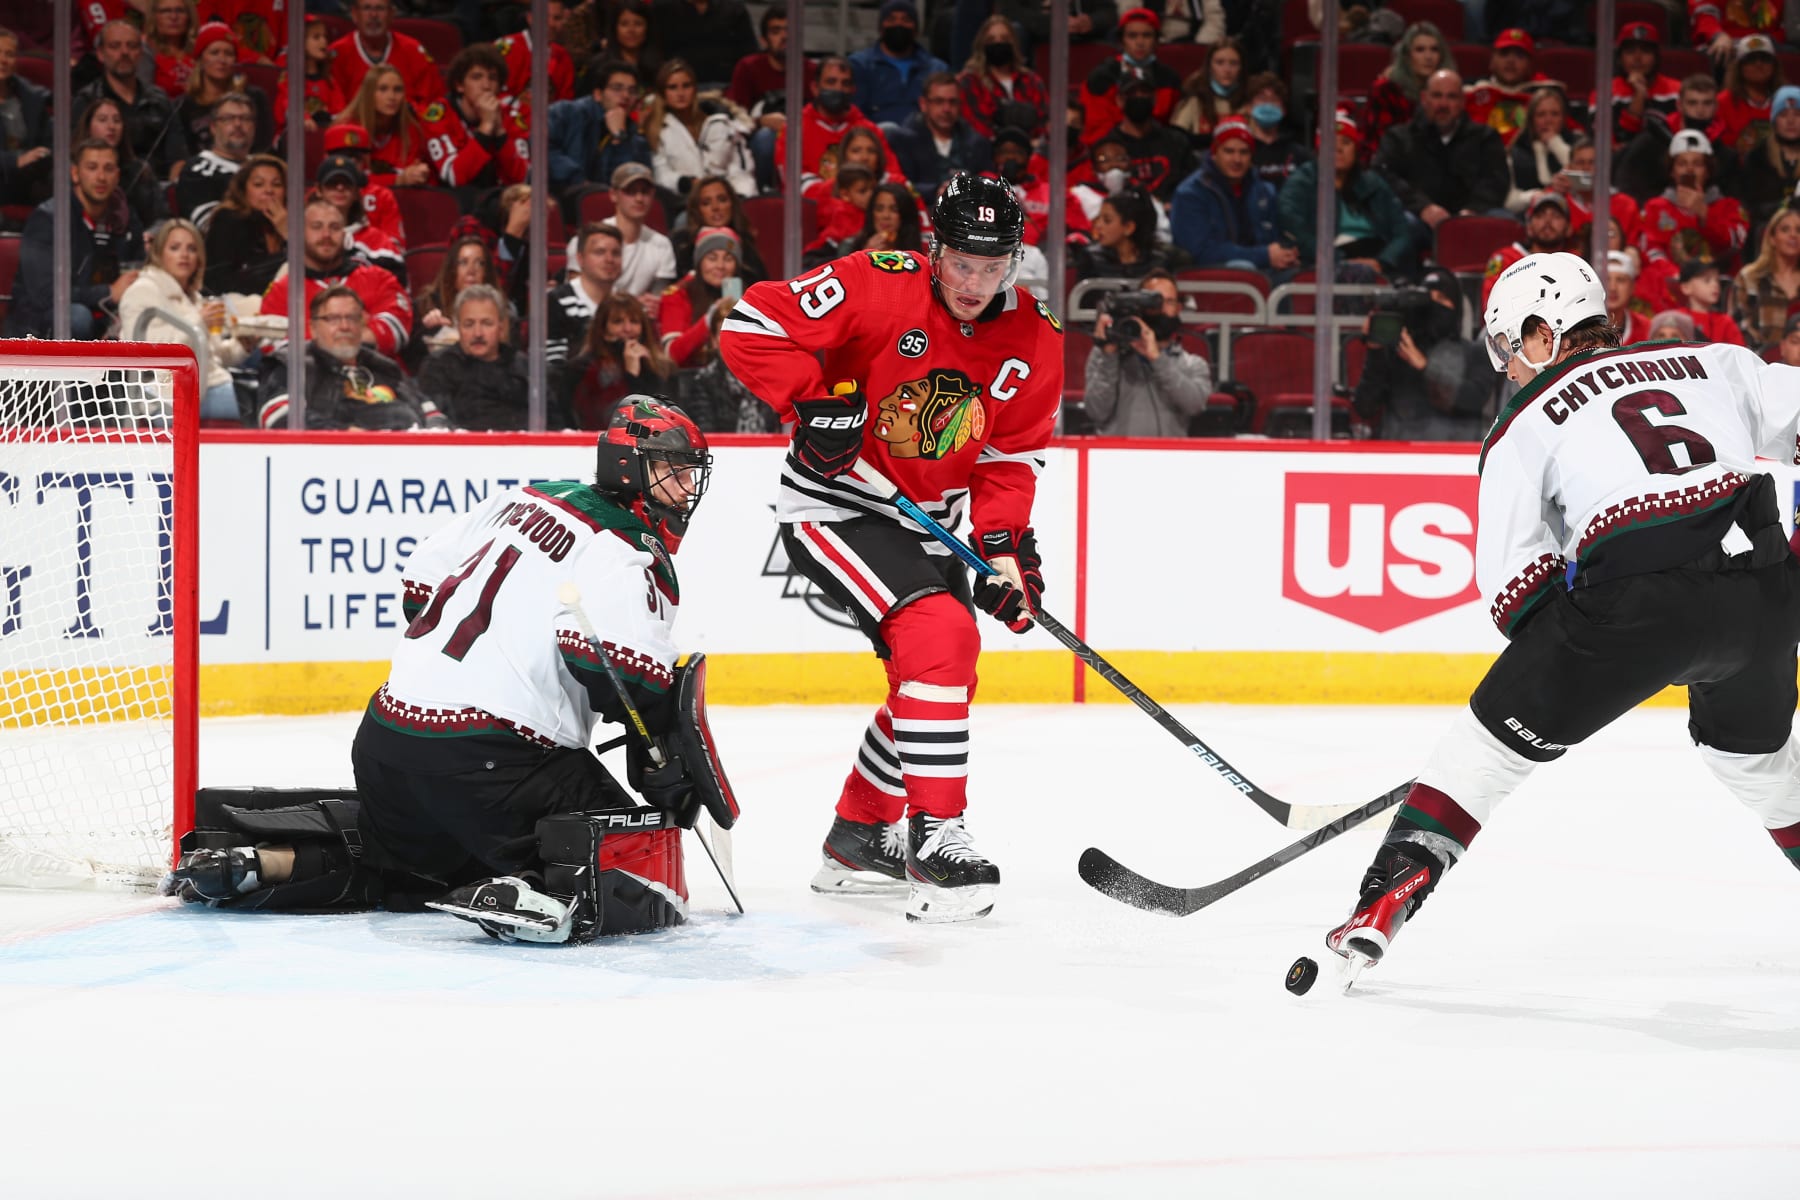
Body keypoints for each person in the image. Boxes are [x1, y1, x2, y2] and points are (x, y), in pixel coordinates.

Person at [1322, 249, 1800, 984]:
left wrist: (1583, 655)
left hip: (1635, 600)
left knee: (1480, 755)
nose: (1510, 369)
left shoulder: (1524, 423)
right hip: (1765, 594)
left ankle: (1380, 905)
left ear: (1543, 334)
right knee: (1758, 762)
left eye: (1512, 350)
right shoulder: (1710, 362)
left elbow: (1513, 591)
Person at [166, 396, 723, 947]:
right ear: (631, 470)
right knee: (641, 868)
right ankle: (536, 894)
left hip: (386, 744)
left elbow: (418, 589)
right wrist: (658, 750)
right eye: (673, 473)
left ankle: (254, 863)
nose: (685, 489)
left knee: (406, 867)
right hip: (497, 764)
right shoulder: (625, 549)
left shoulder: (522, 498)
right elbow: (616, 672)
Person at [717, 173, 1064, 924]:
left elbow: (1010, 457)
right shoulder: (875, 283)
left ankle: (857, 837)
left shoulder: (1036, 335)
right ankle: (934, 837)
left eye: (993, 265)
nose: (975, 283)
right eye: (961, 263)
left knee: (945, 663)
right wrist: (813, 402)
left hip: (926, 515)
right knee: (939, 632)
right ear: (933, 247)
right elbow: (747, 325)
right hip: (836, 505)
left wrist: (1004, 553)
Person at [5, 140, 143, 340]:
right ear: (75, 173)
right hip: (38, 325)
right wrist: (108, 292)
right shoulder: (48, 218)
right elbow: (45, 296)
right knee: (77, 317)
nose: (101, 177)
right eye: (92, 168)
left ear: (118, 176)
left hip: (105, 314)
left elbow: (137, 270)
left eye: (108, 168)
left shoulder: (125, 218)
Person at [117, 217, 250, 420]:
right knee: (242, 403)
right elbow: (146, 355)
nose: (184, 255)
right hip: (163, 393)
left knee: (246, 398)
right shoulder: (143, 291)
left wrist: (244, 345)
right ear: (159, 253)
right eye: (175, 248)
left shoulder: (194, 297)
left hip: (209, 385)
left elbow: (215, 357)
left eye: (191, 248)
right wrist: (196, 321)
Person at [1374, 69, 1510, 255]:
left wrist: (1472, 211)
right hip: (1419, 219)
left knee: (1503, 221)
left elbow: (1496, 181)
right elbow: (1384, 175)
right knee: (1400, 224)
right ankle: (1399, 282)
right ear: (1424, 98)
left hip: (1472, 218)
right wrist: (1423, 207)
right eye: (1437, 96)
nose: (1443, 104)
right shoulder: (1399, 137)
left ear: (1463, 102)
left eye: (1451, 97)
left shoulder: (1485, 138)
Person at [260, 196, 414, 360]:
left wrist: (316, 337)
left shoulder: (379, 278)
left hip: (376, 378)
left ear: (345, 235)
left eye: (334, 227)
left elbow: (397, 328)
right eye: (316, 227)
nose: (326, 235)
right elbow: (272, 345)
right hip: (308, 382)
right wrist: (356, 332)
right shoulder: (281, 291)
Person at [1350, 265, 1491, 440]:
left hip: (1454, 460)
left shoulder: (1476, 352)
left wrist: (1424, 366)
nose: (1434, 305)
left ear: (1457, 306)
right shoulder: (1398, 352)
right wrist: (1375, 351)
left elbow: (1473, 399)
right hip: (1400, 459)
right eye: (1428, 298)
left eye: (1442, 298)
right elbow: (1366, 407)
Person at [1277, 110, 1410, 279]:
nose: (1338, 148)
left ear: (1355, 150)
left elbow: (1402, 232)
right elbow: (1294, 226)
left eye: (1346, 142)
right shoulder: (1301, 182)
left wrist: (1382, 261)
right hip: (1327, 265)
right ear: (1319, 148)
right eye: (1331, 142)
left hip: (1376, 261)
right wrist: (1340, 261)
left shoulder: (1374, 184)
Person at [1083, 268, 1212, 436]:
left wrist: (1157, 359)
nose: (1162, 308)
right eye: (1154, 301)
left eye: (1169, 301)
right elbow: (1096, 411)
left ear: (1178, 309)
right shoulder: (1104, 355)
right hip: (1115, 458)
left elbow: (1194, 405)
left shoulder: (1193, 364)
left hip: (1170, 459)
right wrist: (1109, 356)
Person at [1170, 116, 1293, 276]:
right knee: (1242, 268)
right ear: (1214, 153)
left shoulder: (1264, 191)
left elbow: (1275, 238)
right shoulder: (1190, 194)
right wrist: (1264, 255)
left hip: (1263, 271)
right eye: (1229, 151)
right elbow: (1200, 252)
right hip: (1208, 276)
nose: (1237, 159)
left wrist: (1285, 254)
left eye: (1244, 152)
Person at [73, 19, 188, 183]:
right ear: (100, 54)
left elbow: (178, 158)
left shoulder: (160, 100)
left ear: (140, 53)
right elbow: (76, 157)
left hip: (157, 191)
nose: (124, 52)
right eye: (115, 46)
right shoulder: (87, 101)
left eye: (132, 46)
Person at [415, 284, 535, 430]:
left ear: (502, 327)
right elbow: (435, 426)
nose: (478, 333)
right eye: (469, 324)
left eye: (486, 323)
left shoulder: (525, 368)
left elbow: (552, 423)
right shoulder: (438, 367)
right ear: (458, 327)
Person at [420, 44, 531, 189]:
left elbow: (523, 177)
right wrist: (485, 128)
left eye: (492, 78)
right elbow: (454, 177)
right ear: (460, 85)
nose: (486, 85)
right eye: (476, 77)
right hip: (452, 200)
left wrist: (499, 132)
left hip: (497, 198)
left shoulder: (511, 115)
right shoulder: (438, 116)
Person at [643, 58, 756, 200]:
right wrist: (688, 183)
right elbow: (661, 174)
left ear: (695, 89)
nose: (680, 93)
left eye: (686, 86)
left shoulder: (719, 123)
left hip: (728, 199)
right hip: (686, 201)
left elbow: (739, 167)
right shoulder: (656, 129)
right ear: (663, 93)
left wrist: (735, 195)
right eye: (672, 87)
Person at [1640, 129, 1749, 276]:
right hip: (1670, 287)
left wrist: (1704, 213)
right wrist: (1679, 278)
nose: (1689, 169)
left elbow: (1733, 246)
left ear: (1708, 170)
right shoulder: (1655, 208)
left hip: (1717, 288)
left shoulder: (1730, 207)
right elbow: (1650, 250)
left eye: (1697, 164)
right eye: (1682, 163)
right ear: (1672, 171)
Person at [560, 293, 676, 429]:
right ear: (603, 330)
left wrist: (646, 371)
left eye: (634, 321)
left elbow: (667, 418)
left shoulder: (662, 367)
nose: (628, 329)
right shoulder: (583, 369)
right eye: (618, 322)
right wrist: (631, 375)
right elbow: (607, 420)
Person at [774, 56, 897, 182]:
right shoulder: (795, 129)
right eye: (831, 82)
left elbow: (894, 176)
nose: (838, 89)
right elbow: (791, 181)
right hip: (811, 200)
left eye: (845, 83)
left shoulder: (870, 131)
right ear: (815, 88)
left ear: (853, 90)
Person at [547, 56, 651, 192]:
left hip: (605, 204)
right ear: (598, 94)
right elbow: (544, 150)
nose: (626, 96)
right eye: (617, 88)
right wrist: (577, 179)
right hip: (557, 196)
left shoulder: (635, 137)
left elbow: (628, 184)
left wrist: (619, 138)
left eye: (632, 91)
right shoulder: (565, 113)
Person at [1084, 7, 1181, 149]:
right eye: (1132, 36)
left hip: (1159, 148)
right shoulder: (1101, 78)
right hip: (1114, 151)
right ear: (1122, 40)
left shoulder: (1169, 78)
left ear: (1156, 41)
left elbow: (1173, 127)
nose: (1140, 42)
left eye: (1147, 35)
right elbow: (1097, 130)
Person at [887, 70, 993, 197]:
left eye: (952, 102)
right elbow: (899, 185)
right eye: (939, 101)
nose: (946, 109)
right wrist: (936, 190)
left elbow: (989, 181)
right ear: (923, 104)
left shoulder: (977, 143)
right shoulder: (903, 141)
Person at [409, 233, 506, 370]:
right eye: (463, 262)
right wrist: (429, 331)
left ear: (487, 272)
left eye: (480, 263)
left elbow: (509, 359)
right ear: (451, 269)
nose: (471, 271)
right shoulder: (425, 305)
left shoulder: (502, 310)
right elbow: (411, 363)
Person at [849, 0, 948, 128]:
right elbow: (855, 114)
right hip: (873, 140)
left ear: (916, 29)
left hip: (923, 140)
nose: (898, 24)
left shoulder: (936, 68)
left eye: (906, 20)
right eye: (891, 19)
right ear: (880, 28)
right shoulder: (859, 65)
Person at [329, 0, 443, 109]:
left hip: (405, 126)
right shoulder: (337, 54)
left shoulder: (414, 51)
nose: (373, 15)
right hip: (353, 126)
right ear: (354, 14)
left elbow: (434, 103)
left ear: (391, 14)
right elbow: (333, 106)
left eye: (380, 8)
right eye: (366, 8)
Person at [657, 224, 743, 367]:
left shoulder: (748, 296)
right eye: (712, 258)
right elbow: (672, 355)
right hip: (689, 381)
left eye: (728, 259)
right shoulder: (677, 295)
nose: (720, 266)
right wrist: (708, 321)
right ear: (699, 262)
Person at [76, 95, 166, 231]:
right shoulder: (70, 169)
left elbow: (161, 218)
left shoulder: (139, 171)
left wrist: (149, 235)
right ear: (88, 127)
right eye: (102, 120)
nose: (111, 126)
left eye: (117, 120)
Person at [177, 21, 268, 154]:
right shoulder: (183, 105)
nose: (222, 59)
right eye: (214, 53)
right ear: (201, 60)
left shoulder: (254, 98)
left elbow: (263, 146)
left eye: (229, 54)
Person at [315, 152, 405, 286]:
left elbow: (397, 290)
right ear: (318, 191)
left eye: (347, 183)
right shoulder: (305, 237)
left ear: (357, 192)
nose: (340, 188)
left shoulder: (379, 242)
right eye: (332, 183)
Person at [202, 151, 286, 296]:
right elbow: (216, 280)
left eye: (276, 184)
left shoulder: (298, 221)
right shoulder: (228, 220)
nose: (268, 190)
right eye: (258, 184)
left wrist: (289, 233)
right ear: (243, 189)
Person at [334, 63, 430, 187]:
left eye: (397, 90)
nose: (392, 97)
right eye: (383, 89)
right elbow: (345, 179)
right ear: (369, 93)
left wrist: (418, 174)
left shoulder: (411, 130)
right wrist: (398, 180)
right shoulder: (346, 129)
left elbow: (411, 175)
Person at [956, 14, 1048, 143]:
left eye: (1004, 39)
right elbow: (974, 130)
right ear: (982, 45)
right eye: (991, 40)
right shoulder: (969, 82)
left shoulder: (1032, 81)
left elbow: (1045, 123)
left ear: (1014, 44)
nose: (998, 43)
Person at [1103, 75, 1195, 202]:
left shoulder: (1176, 142)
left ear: (1154, 99)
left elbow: (1192, 185)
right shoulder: (1108, 146)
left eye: (1144, 93)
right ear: (1119, 100)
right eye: (1132, 93)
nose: (1139, 97)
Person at [1364, 21, 1449, 156]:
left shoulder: (1449, 91)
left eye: (1434, 49)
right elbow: (1378, 143)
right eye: (1420, 50)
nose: (1428, 57)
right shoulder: (1386, 90)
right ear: (1407, 56)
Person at [172, 89, 255, 227]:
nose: (238, 124)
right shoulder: (197, 170)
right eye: (228, 118)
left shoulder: (264, 167)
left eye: (245, 119)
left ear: (254, 127)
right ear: (213, 127)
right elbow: (209, 226)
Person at [547, 222, 623, 366]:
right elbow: (553, 366)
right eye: (599, 252)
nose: (609, 260)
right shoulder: (557, 301)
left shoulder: (626, 304)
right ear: (580, 259)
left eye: (616, 253)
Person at [1463, 27, 1557, 145]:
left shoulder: (1545, 97)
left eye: (1519, 55)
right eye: (1504, 53)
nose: (1511, 61)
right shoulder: (1471, 93)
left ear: (1530, 65)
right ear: (1492, 60)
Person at [609, 162, 679, 316]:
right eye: (630, 192)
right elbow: (583, 294)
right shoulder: (592, 240)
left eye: (645, 192)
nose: (639, 198)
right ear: (613, 195)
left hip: (640, 321)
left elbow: (658, 297)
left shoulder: (662, 244)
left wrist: (652, 303)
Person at [1595, 21, 1680, 144]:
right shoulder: (1604, 93)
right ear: (1619, 58)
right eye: (1630, 51)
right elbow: (1617, 141)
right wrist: (1639, 94)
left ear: (1656, 57)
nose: (1637, 58)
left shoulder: (1677, 91)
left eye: (1645, 51)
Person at [669, 175, 766, 279]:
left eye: (722, 200)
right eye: (706, 203)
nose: (715, 207)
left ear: (732, 204)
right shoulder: (682, 245)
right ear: (697, 210)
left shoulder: (746, 244)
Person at [1483, 192, 1572, 304]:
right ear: (1529, 227)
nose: (1547, 221)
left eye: (1556, 216)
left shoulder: (1573, 264)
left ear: (1569, 228)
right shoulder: (1505, 258)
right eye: (1540, 216)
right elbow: (1490, 304)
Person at [1733, 206, 1800, 351]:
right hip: (1759, 360)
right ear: (1772, 238)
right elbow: (1739, 327)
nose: (1793, 235)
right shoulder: (1750, 277)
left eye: (1799, 230)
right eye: (1785, 229)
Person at [1074, 185, 1174, 281]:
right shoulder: (1091, 259)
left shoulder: (1159, 262)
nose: (1098, 225)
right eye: (1098, 218)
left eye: (1107, 220)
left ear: (1128, 227)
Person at [0, 26, 52, 207]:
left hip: (30, 179)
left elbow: (49, 139)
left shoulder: (32, 98)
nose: (3, 60)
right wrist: (14, 161)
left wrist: (43, 154)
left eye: (9, 54)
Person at [271, 16, 345, 134]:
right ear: (300, 42)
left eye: (325, 37)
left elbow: (339, 110)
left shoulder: (329, 80)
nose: (323, 42)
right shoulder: (289, 78)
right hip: (292, 135)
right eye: (316, 37)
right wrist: (303, 117)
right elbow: (287, 102)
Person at [1741, 86, 1800, 233]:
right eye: (1783, 115)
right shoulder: (1757, 158)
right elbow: (1752, 207)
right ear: (1774, 120)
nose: (1790, 121)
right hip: (1768, 232)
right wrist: (1788, 205)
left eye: (1797, 115)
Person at [493, 0, 576, 103]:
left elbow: (565, 105)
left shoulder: (563, 57)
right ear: (530, 18)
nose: (551, 24)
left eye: (557, 18)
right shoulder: (505, 48)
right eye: (544, 17)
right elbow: (492, 94)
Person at [1169, 36, 1245, 145]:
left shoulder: (1250, 100)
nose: (1227, 70)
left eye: (1233, 63)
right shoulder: (1194, 100)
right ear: (1209, 66)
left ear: (1241, 67)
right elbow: (1176, 138)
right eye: (1219, 63)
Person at [1505, 88, 1572, 211]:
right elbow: (1509, 201)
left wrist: (1555, 143)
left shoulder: (1577, 144)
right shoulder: (1515, 152)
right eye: (1541, 114)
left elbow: (1583, 178)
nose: (1548, 120)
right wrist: (1533, 196)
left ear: (1563, 119)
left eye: (1555, 114)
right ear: (1531, 120)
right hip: (1527, 214)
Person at [1243, 73, 1310, 192]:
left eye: (1274, 100)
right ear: (1249, 108)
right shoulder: (1241, 151)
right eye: (1262, 99)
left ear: (1283, 110)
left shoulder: (1300, 155)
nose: (1268, 105)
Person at [1718, 34, 1782, 157]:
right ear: (1739, 67)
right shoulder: (1723, 102)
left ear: (1774, 65)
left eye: (1765, 58)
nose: (1758, 64)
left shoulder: (1787, 100)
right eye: (1751, 59)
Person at [1674, 258, 1747, 345]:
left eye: (1717, 280)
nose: (1715, 285)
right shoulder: (1673, 319)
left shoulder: (1725, 322)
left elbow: (1738, 354)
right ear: (1686, 288)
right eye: (1707, 280)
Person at [603, 0, 664, 88]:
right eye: (624, 24)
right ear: (614, 29)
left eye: (638, 24)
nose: (631, 30)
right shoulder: (600, 66)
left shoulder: (660, 68)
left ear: (648, 28)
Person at [145, 0, 197, 98]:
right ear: (154, 17)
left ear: (189, 17)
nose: (173, 17)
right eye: (165, 11)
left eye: (180, 10)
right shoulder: (146, 51)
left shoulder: (199, 50)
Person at [1604, 249, 1653, 345]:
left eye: (1620, 280)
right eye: (1607, 279)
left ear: (1632, 286)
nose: (1612, 287)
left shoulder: (1646, 328)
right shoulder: (1581, 329)